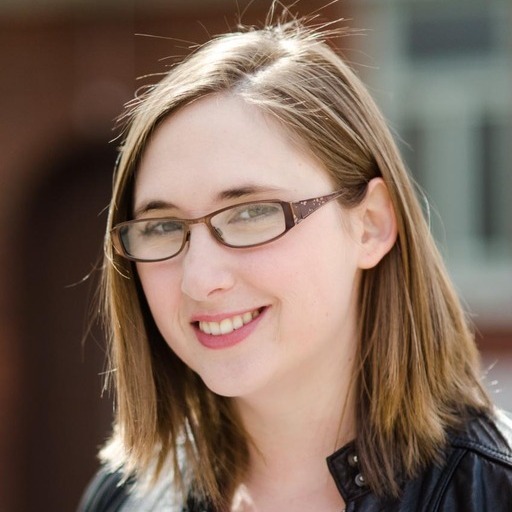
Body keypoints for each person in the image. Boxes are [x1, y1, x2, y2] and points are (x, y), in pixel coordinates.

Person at [78, 11, 512, 512]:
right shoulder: (126, 497)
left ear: (370, 224)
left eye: (251, 214)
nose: (200, 280)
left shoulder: (489, 491)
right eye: (162, 226)